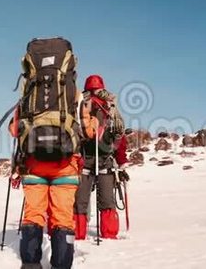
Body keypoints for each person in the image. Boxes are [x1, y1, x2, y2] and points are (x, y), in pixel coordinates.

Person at [10, 109, 82, 269]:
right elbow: (88, 131)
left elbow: (14, 130)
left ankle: (30, 263)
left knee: (33, 214)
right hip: (65, 164)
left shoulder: (28, 95)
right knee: (63, 217)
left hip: (33, 163)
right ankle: (61, 265)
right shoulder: (75, 94)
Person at [74, 74, 129, 240]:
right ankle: (109, 234)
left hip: (84, 160)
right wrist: (122, 161)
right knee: (107, 201)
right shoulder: (110, 107)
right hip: (105, 159)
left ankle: (78, 233)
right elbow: (119, 137)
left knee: (79, 202)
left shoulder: (79, 106)